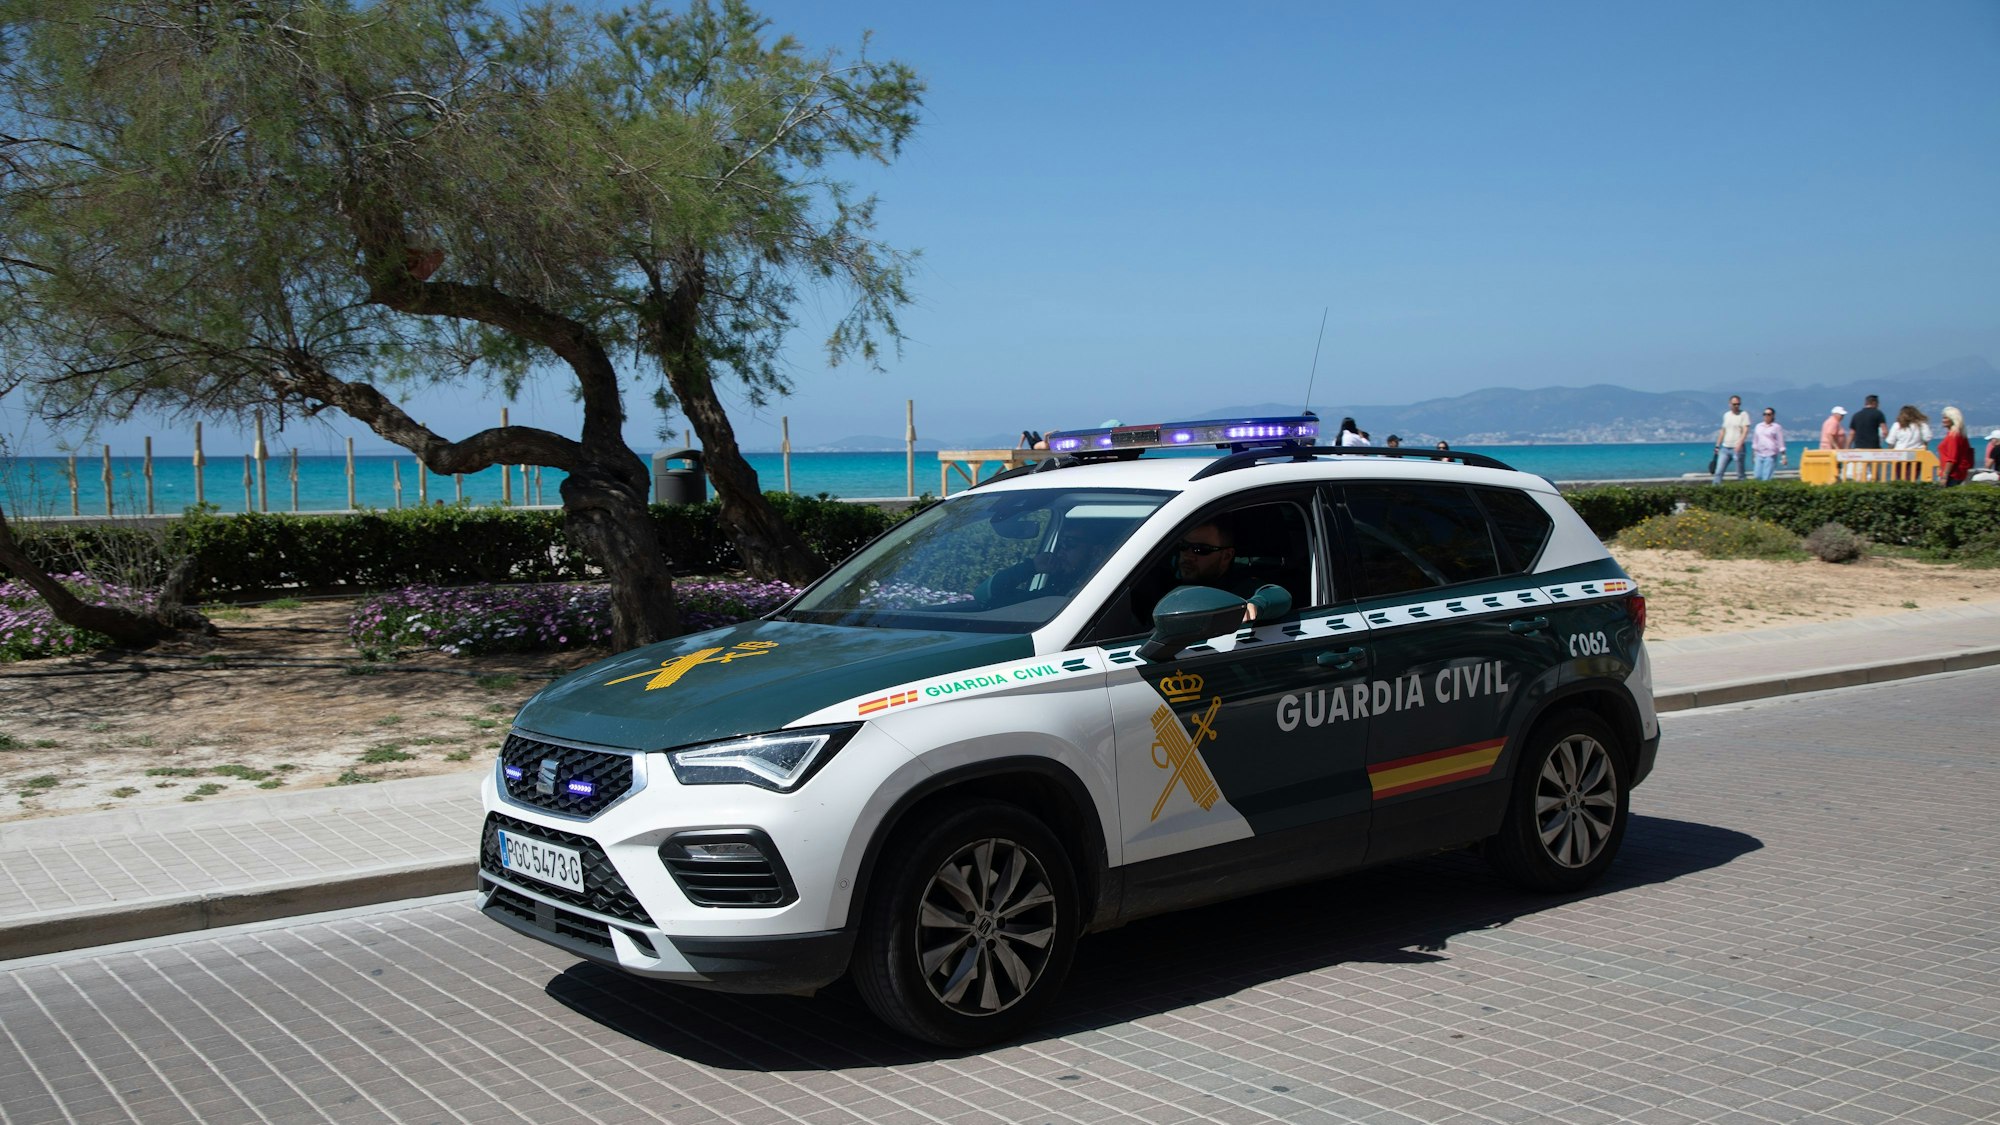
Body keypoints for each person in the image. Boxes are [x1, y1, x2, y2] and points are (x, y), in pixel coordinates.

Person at [1162, 517, 1289, 623]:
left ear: (1226, 556)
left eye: (1200, 549)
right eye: (1183, 546)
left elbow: (1278, 595)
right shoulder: (1160, 570)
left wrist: (1255, 605)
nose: (1188, 555)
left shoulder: (1239, 586)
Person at [1712, 394, 1750, 483]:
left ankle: (1745, 491)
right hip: (1725, 448)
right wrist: (1717, 445)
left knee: (1740, 474)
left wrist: (1739, 444)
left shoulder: (1743, 414)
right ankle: (1715, 490)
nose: (1736, 406)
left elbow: (1745, 431)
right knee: (1718, 472)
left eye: (1738, 404)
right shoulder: (1726, 415)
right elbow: (1723, 431)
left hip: (1738, 448)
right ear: (1730, 404)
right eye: (1734, 404)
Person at [1936, 407, 1972, 487]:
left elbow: (1952, 459)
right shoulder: (1960, 435)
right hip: (1959, 473)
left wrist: (1944, 476)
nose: (1943, 420)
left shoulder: (1953, 436)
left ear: (1953, 419)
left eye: (1945, 418)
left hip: (1953, 475)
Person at [1751, 408, 1787, 480]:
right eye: (1765, 414)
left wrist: (1783, 457)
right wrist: (1754, 455)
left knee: (1766, 477)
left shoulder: (1776, 427)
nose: (1766, 416)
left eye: (1769, 414)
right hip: (1759, 454)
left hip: (1770, 454)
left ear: (1773, 415)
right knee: (1757, 475)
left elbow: (1780, 442)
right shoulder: (1758, 426)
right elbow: (1755, 441)